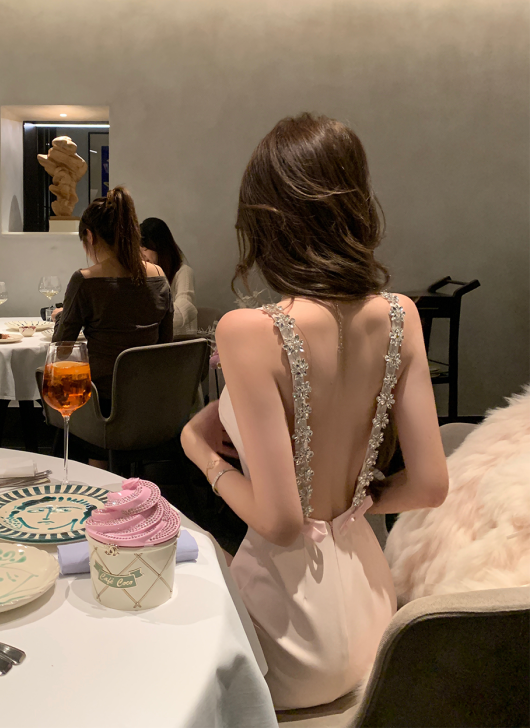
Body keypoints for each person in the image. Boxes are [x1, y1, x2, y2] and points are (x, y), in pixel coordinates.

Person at [181, 114, 448, 710]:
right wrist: (353, 506)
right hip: (375, 620)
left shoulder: (247, 330)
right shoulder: (401, 315)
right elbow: (431, 485)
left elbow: (280, 523)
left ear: (267, 219)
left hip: (287, 634)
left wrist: (201, 453)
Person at [52, 187, 173, 416]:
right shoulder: (158, 275)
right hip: (151, 403)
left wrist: (62, 317)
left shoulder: (85, 281)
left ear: (90, 236)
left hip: (101, 405)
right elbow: (165, 342)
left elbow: (62, 349)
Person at [140, 217, 198, 335]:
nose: (142, 255)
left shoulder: (183, 272)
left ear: (161, 248)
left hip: (181, 341)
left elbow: (185, 309)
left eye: (145, 248)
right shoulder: (144, 275)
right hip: (156, 340)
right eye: (138, 249)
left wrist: (148, 318)